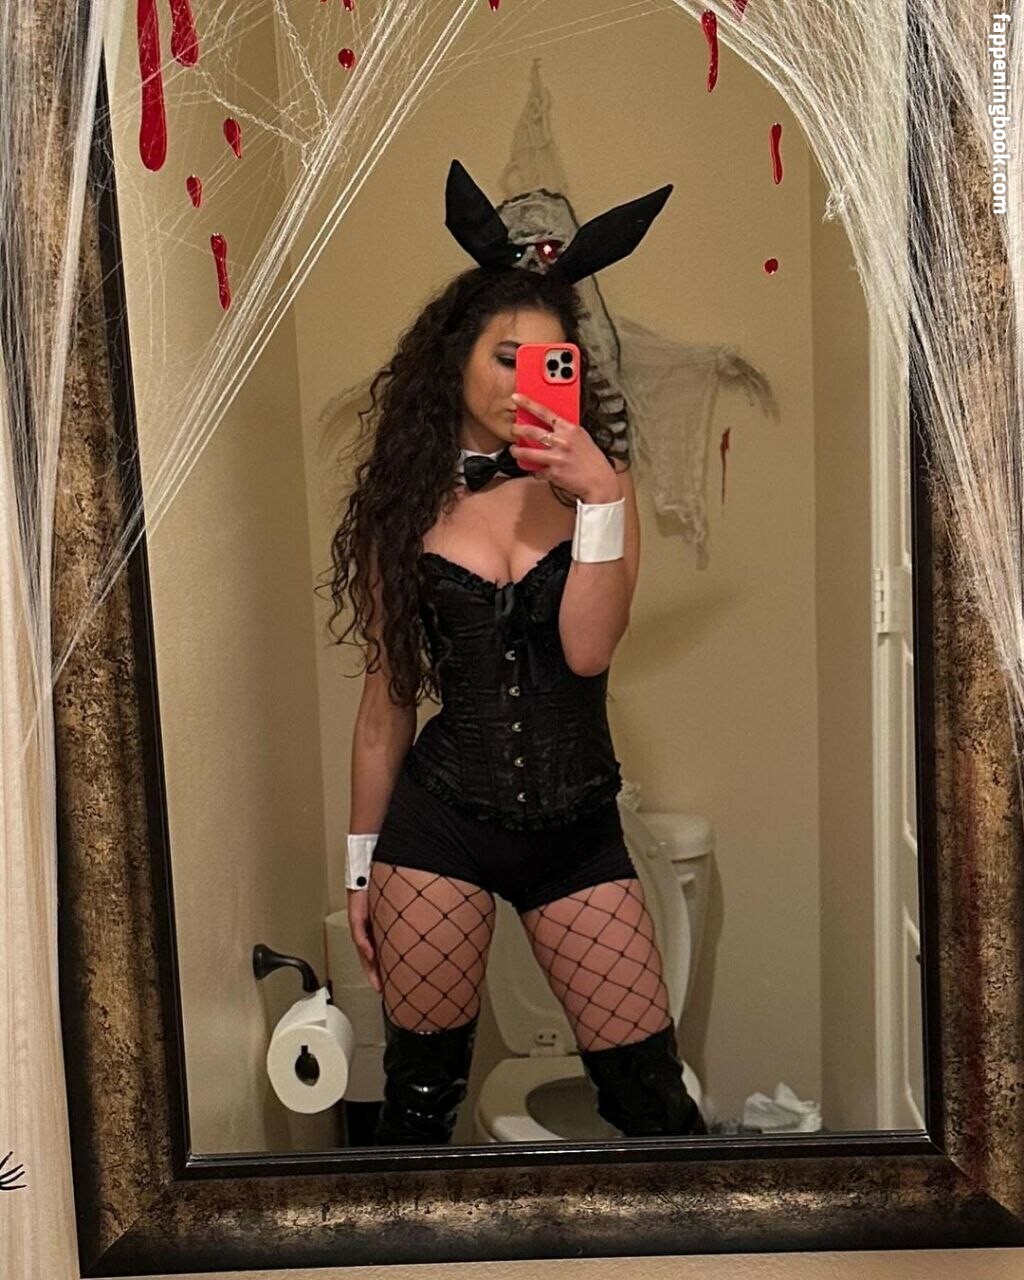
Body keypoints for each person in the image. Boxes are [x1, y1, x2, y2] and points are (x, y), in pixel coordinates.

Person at [322, 160, 707, 1146]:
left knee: (653, 1102)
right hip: (438, 827)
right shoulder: (403, 507)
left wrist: (601, 497)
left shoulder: (599, 489)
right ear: (456, 359)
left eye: (548, 361)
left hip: (577, 830)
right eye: (503, 357)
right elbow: (385, 707)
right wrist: (360, 866)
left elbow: (585, 651)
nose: (521, 381)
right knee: (419, 1104)